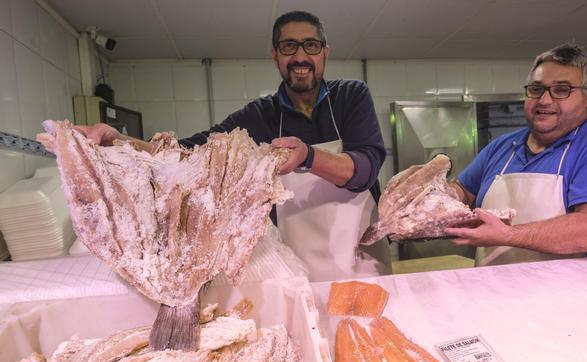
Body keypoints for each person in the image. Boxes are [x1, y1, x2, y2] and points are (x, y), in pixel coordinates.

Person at [74, 10, 391, 282]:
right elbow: (187, 153)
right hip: (300, 268)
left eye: (310, 45)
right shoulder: (260, 116)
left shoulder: (351, 96)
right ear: (275, 55)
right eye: (288, 46)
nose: (300, 57)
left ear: (324, 52)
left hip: (363, 261)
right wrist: (117, 139)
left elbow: (365, 168)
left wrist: (307, 155)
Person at [444, 43, 587, 266]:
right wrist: (436, 194)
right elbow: (463, 191)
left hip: (576, 295)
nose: (544, 100)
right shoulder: (502, 146)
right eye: (536, 89)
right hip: (497, 293)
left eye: (561, 90)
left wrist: (508, 235)